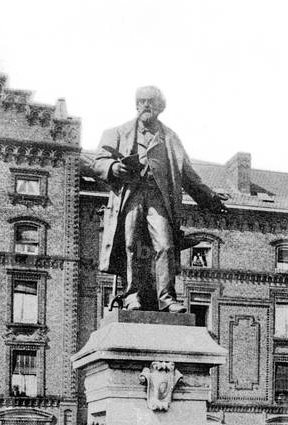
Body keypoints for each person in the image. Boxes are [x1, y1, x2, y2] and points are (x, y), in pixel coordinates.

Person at [91, 86, 228, 312]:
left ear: (160, 107)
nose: (146, 105)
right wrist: (114, 167)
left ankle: (167, 298)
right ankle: (132, 296)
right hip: (130, 196)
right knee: (130, 244)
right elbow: (98, 162)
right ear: (136, 105)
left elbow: (188, 175)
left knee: (165, 245)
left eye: (151, 101)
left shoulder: (171, 139)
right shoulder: (117, 132)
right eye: (142, 101)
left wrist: (211, 199)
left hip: (158, 199)